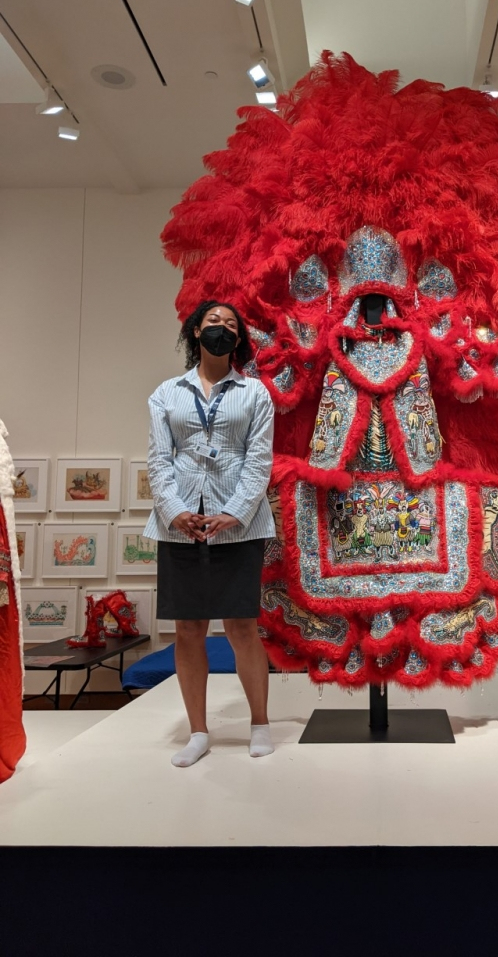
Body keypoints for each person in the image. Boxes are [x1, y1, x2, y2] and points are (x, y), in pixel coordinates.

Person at [144, 301, 276, 767]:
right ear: (195, 330)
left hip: (239, 526)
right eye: (213, 323)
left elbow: (259, 462)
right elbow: (159, 461)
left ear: (239, 340)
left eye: (231, 325)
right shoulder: (166, 393)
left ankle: (260, 723)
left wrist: (234, 513)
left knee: (242, 627)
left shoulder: (256, 393)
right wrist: (176, 511)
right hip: (180, 526)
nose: (221, 330)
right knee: (188, 629)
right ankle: (198, 731)